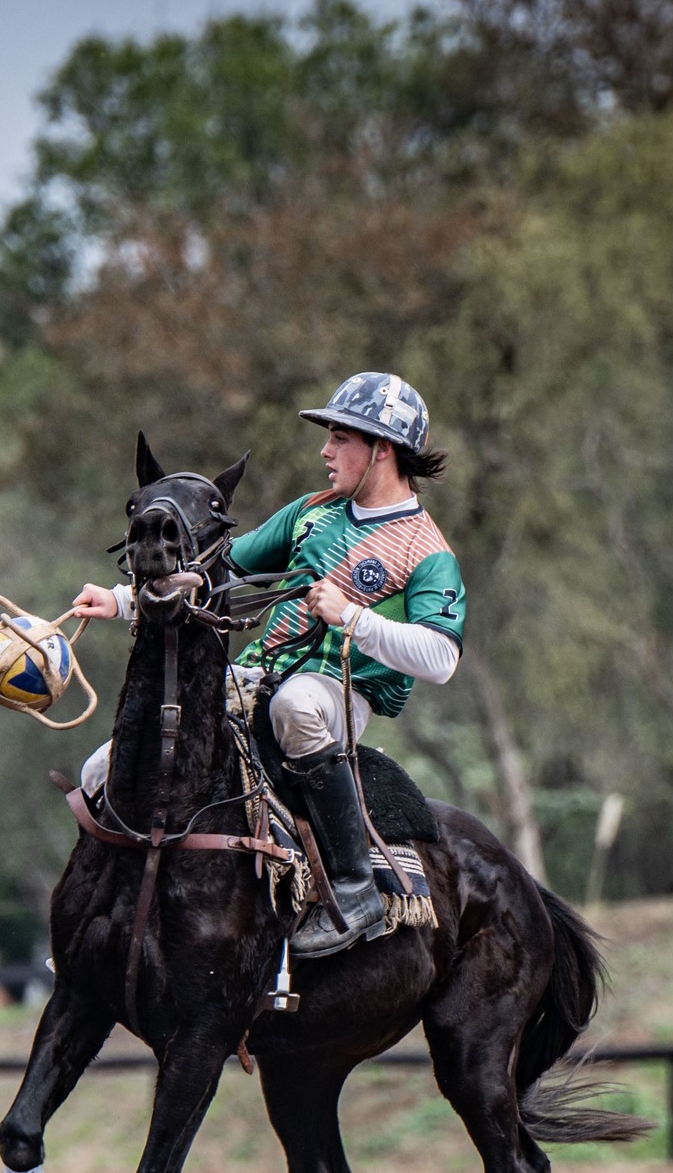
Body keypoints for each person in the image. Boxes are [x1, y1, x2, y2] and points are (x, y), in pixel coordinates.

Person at [70, 372, 465, 957]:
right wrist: (121, 599)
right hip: (252, 678)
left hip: (336, 695)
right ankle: (102, 912)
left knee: (295, 706)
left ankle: (355, 888)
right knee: (101, 769)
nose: (325, 452)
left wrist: (352, 617)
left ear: (382, 449)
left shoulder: (428, 551)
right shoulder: (310, 513)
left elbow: (441, 658)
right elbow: (215, 572)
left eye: (339, 439)